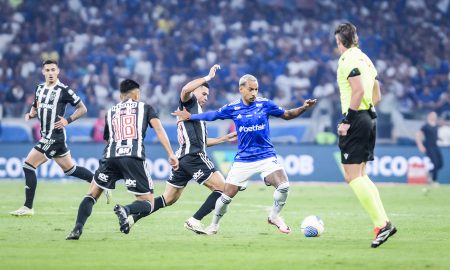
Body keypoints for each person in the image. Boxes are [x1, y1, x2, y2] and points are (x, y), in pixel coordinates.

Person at [173, 74, 317, 235]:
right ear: (241, 89)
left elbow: (288, 115)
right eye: (250, 89)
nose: (254, 93)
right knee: (225, 197)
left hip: (266, 156)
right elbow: (213, 115)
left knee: (283, 186)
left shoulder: (265, 104)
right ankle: (214, 225)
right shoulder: (233, 108)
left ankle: (274, 216)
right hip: (243, 160)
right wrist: (192, 116)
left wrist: (304, 108)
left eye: (256, 89)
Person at [128, 64, 237, 234]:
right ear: (196, 91)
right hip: (194, 156)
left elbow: (202, 141)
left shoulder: (196, 113)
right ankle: (194, 220)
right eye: (204, 93)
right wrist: (207, 77)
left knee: (168, 198)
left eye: (208, 95)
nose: (206, 97)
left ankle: (131, 217)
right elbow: (185, 89)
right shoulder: (190, 102)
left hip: (183, 158)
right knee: (223, 189)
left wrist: (225, 138)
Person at [66, 79, 179, 240]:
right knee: (148, 203)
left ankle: (77, 229)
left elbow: (107, 138)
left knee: (91, 194)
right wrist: (170, 153)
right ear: (137, 93)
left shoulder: (110, 111)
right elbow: (159, 129)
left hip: (110, 157)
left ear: (121, 96)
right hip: (133, 156)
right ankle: (125, 210)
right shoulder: (145, 108)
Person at [9, 60, 106, 217]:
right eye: (47, 70)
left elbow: (83, 108)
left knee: (28, 166)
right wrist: (31, 113)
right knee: (70, 169)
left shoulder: (63, 90)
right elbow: (36, 105)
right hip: (47, 135)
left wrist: (67, 120)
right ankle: (101, 183)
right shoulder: (39, 88)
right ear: (43, 72)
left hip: (55, 136)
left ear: (58, 71)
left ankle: (28, 207)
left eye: (53, 69)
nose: (51, 73)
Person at [334, 22, 397, 248]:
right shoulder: (365, 59)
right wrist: (364, 109)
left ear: (340, 42)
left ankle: (382, 225)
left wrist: (347, 120)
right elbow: (376, 93)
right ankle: (384, 222)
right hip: (370, 116)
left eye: (337, 43)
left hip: (357, 119)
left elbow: (358, 89)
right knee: (361, 175)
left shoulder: (347, 59)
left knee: (352, 176)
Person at [415, 111, 443, 184]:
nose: (434, 117)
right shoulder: (426, 126)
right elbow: (418, 134)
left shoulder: (436, 125)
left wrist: (439, 138)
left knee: (440, 164)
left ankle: (429, 172)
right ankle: (434, 180)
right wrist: (420, 145)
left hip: (435, 146)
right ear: (429, 116)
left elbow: (434, 135)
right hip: (429, 146)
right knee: (435, 163)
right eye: (433, 115)